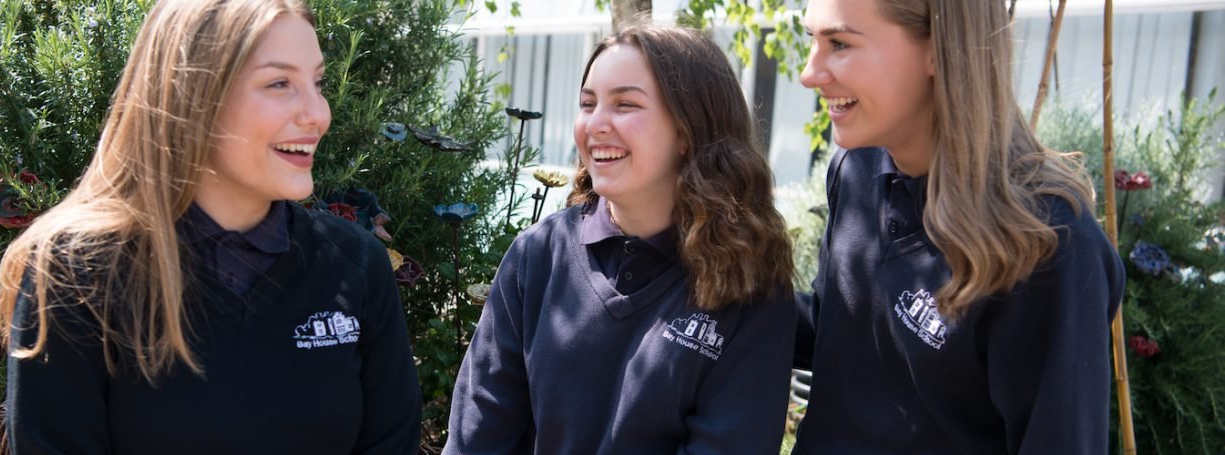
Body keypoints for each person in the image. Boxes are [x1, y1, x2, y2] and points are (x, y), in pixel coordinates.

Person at [0, 1, 421, 453]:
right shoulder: (76, 274)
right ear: (193, 96)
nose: (318, 113)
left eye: (318, 83)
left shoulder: (355, 266)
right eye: (280, 83)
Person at [444, 25, 798, 454]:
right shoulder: (538, 255)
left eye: (626, 104)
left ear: (689, 131)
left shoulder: (751, 287)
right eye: (587, 103)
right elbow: (478, 439)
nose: (595, 124)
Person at [791, 0, 1125, 453]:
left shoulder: (1048, 242)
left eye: (840, 44)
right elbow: (834, 332)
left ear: (938, 49)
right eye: (813, 40)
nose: (809, 74)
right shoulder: (856, 167)